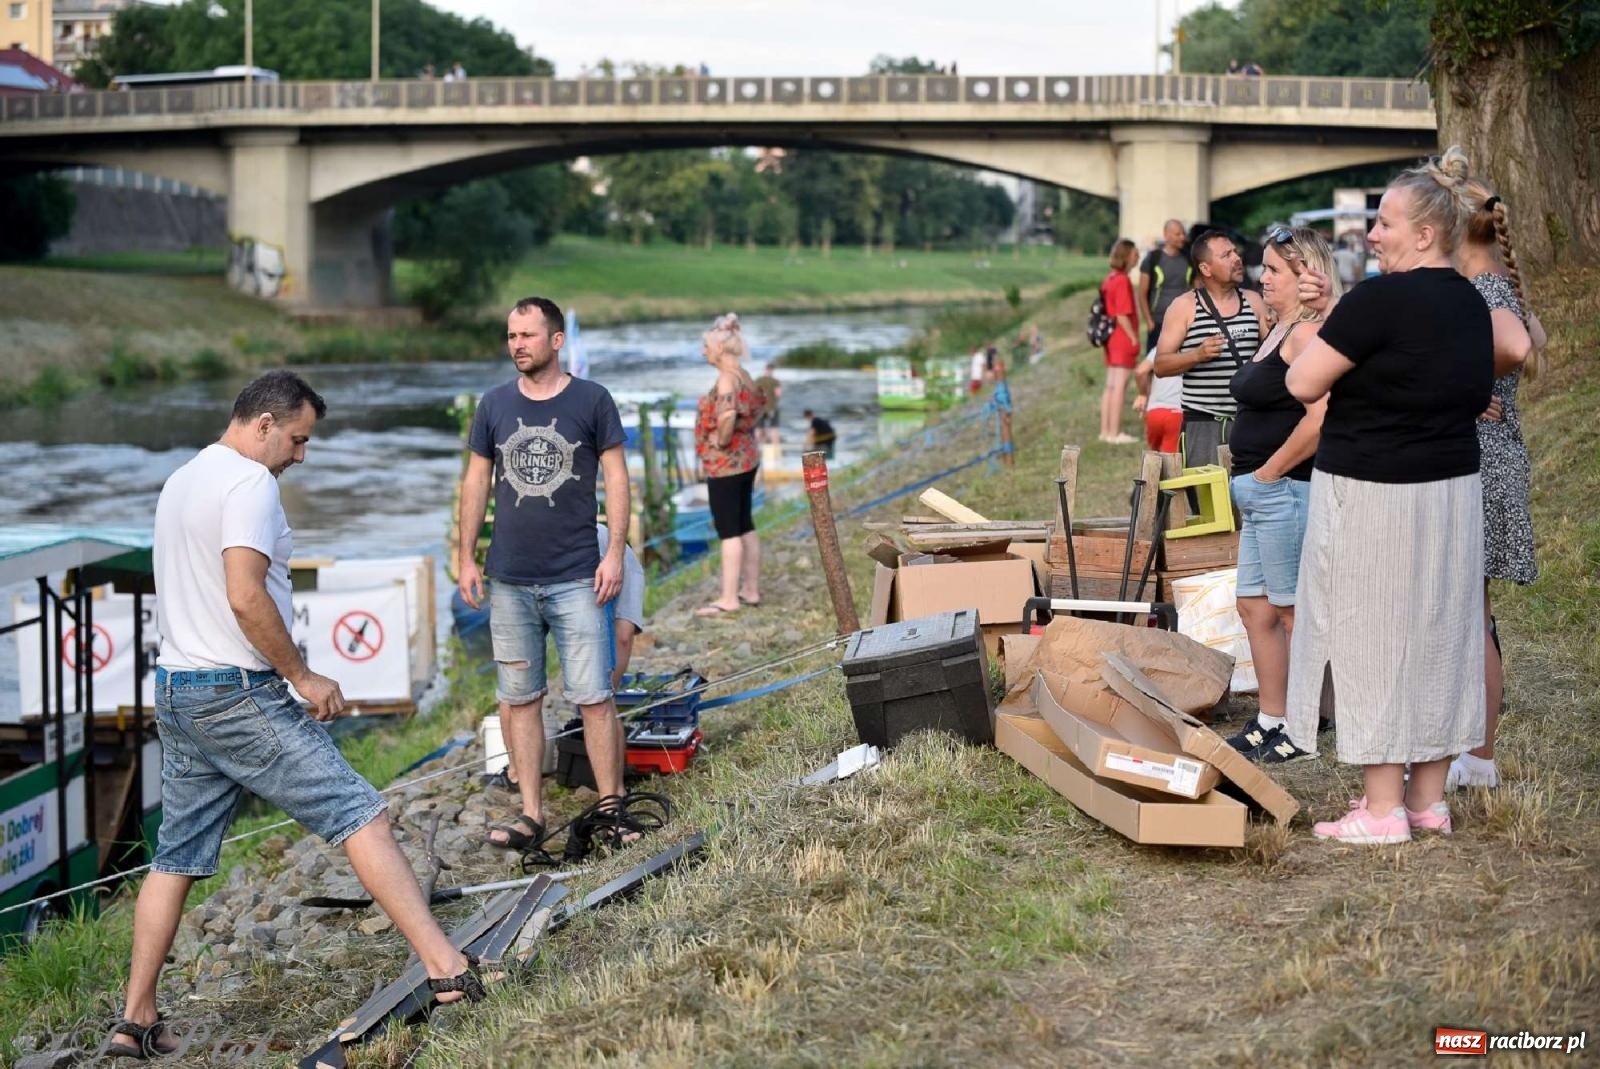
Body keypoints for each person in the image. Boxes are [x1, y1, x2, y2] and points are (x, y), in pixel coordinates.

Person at [111, 372, 486, 1058]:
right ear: (262, 423)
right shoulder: (250, 485)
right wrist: (303, 674)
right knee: (358, 811)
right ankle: (447, 967)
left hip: (178, 688)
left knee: (177, 856)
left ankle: (134, 1019)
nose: (301, 454)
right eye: (298, 438)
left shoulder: (182, 478)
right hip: (237, 692)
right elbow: (245, 596)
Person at [1283, 147, 1494, 844]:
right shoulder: (1470, 300)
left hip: (1372, 490)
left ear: (1426, 234)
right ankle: (1428, 799)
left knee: (1370, 635)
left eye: (1385, 223)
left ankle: (1380, 809)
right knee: (1440, 633)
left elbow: (1302, 385)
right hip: (1453, 488)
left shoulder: (1376, 301)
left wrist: (1300, 344)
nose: (1372, 234)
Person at [457, 296, 632, 854]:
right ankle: (531, 812)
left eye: (528, 335)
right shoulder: (493, 405)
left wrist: (616, 554)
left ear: (556, 340)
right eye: (511, 336)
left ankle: (612, 808)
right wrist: (466, 556)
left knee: (594, 696)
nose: (517, 346)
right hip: (509, 578)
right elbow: (475, 483)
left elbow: (618, 479)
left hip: (578, 574)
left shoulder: (592, 400)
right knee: (520, 697)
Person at [1220, 226, 1342, 764]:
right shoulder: (1279, 328)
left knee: (1294, 613)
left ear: (1305, 276)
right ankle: (1272, 715)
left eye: (1272, 270)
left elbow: (1321, 417)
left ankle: (1305, 724)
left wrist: (1269, 472)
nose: (1261, 277)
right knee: (1254, 608)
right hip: (1261, 492)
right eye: (1263, 268)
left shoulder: (1309, 334)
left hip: (1286, 489)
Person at [1448, 179, 1545, 791]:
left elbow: (1517, 346)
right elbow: (1536, 337)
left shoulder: (1480, 289)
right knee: (1472, 612)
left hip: (1479, 456)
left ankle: (1476, 757)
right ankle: (1473, 754)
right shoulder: (1502, 284)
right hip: (1494, 451)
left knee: (1468, 614)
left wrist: (1462, 390)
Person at [491, 523, 646, 789]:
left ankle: (516, 772)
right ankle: (614, 787)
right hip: (587, 561)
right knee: (602, 702)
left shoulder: (611, 556)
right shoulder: (617, 555)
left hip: (552, 564)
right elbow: (623, 636)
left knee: (518, 692)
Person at [1154, 230, 1267, 468]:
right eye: (1226, 255)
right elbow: (1160, 366)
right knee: (1205, 502)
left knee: (1247, 498)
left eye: (1235, 252)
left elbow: (1273, 354)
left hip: (1249, 420)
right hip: (1203, 425)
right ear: (1206, 269)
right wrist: (1197, 355)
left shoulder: (1254, 301)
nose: (1237, 258)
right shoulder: (1184, 307)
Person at [693, 313, 766, 616]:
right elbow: (759, 409)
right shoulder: (743, 375)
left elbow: (726, 417)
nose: (703, 352)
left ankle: (728, 598)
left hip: (726, 464)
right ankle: (750, 589)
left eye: (706, 346)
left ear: (720, 349)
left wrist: (721, 441)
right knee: (744, 523)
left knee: (728, 530)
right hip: (747, 457)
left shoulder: (725, 380)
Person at [1098, 238, 1142, 444]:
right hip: (1122, 337)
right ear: (1126, 257)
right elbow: (1123, 314)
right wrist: (1133, 337)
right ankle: (1115, 433)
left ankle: (1105, 430)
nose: (1137, 257)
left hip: (1110, 338)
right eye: (1134, 254)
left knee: (1110, 385)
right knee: (1120, 385)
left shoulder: (1110, 279)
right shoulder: (1123, 280)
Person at [1137, 219, 1192, 354]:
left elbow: (1196, 287)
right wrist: (1149, 322)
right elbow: (1142, 293)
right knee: (1154, 365)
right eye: (1178, 234)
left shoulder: (1189, 258)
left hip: (1184, 322)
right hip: (1158, 323)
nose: (1182, 238)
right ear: (1166, 235)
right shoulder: (1153, 258)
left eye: (1183, 234)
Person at [1132, 353, 1183, 453]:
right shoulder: (1192, 349)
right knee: (1171, 461)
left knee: (1155, 457)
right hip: (1176, 413)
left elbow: (1141, 371)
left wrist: (1142, 394)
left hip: (1154, 412)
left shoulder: (1158, 349)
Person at [754, 362, 782, 444]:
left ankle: (757, 448)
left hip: (760, 408)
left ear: (765, 369)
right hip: (772, 407)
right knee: (774, 429)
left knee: (758, 429)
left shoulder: (758, 380)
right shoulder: (775, 381)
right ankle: (775, 449)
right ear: (772, 370)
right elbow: (778, 394)